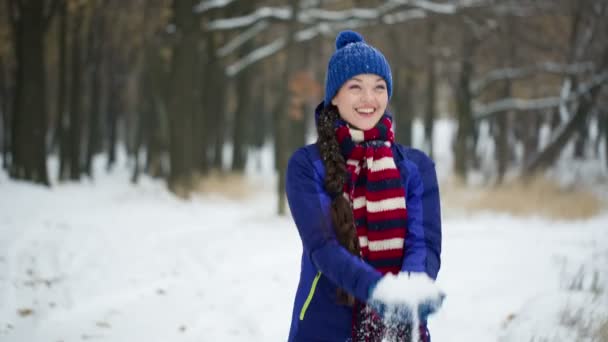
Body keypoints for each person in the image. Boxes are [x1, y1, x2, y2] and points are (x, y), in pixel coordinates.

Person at [285, 30, 443, 342]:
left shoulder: (415, 167)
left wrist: (408, 291)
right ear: (334, 96)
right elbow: (323, 247)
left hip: (401, 326)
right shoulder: (307, 165)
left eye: (379, 87)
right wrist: (379, 291)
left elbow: (423, 244)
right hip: (325, 326)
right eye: (355, 87)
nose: (369, 99)